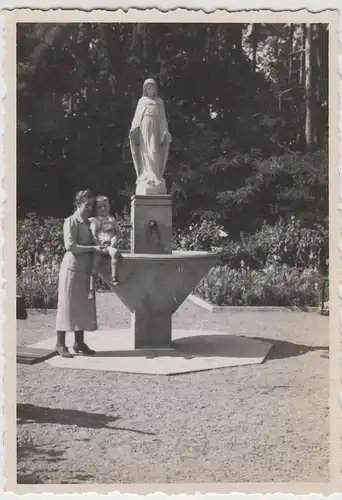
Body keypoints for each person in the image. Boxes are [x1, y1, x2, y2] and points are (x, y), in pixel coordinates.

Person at [55, 189, 103, 358]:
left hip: (85, 270)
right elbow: (71, 246)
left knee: (83, 306)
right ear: (78, 204)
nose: (89, 208)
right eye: (86, 204)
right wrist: (93, 248)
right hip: (71, 268)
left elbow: (97, 240)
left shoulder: (90, 222)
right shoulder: (71, 221)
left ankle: (79, 342)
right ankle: (60, 344)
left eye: (91, 204)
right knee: (67, 305)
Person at [129, 78, 172, 192]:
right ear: (145, 90)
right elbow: (137, 117)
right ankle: (146, 175)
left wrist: (165, 131)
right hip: (144, 129)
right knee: (145, 151)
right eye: (147, 88)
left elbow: (163, 119)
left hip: (156, 130)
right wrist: (134, 129)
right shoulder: (142, 101)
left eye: (152, 87)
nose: (150, 89)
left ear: (155, 89)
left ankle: (156, 176)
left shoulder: (159, 102)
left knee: (155, 150)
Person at [89, 195, 122, 293]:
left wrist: (116, 237)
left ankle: (114, 277)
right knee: (94, 268)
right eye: (100, 207)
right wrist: (97, 244)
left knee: (115, 253)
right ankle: (91, 288)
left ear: (109, 206)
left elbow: (118, 232)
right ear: (96, 209)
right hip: (100, 246)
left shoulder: (112, 220)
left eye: (105, 206)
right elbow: (93, 234)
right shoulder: (95, 221)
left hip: (109, 246)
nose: (103, 208)